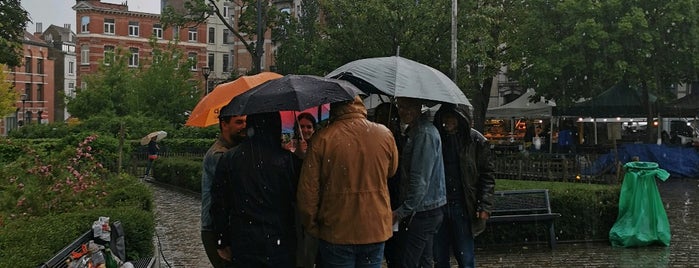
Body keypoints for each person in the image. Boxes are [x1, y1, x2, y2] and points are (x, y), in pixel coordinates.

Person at [297, 96, 399, 268]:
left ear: (334, 108)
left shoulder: (322, 138)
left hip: (336, 228)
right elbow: (392, 170)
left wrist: (311, 224)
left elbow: (308, 191)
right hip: (374, 226)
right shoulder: (384, 134)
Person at [211, 112, 301, 267]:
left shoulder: (230, 158)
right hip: (280, 240)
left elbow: (220, 203)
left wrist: (221, 239)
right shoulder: (288, 161)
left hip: (244, 241)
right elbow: (300, 200)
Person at [432, 104, 496, 268]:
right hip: (439, 205)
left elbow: (487, 175)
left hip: (462, 206)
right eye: (445, 116)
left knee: (465, 258)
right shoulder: (435, 137)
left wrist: (485, 205)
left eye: (452, 116)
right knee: (439, 258)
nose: (448, 121)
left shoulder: (476, 141)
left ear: (461, 119)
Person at [393, 97, 446, 268]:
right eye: (400, 106)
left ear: (418, 107)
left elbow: (420, 179)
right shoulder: (416, 131)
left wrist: (402, 211)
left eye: (408, 106)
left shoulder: (423, 134)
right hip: (427, 209)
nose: (403, 111)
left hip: (423, 211)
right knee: (424, 261)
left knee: (409, 262)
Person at [201, 114, 247, 268]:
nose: (244, 126)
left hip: (229, 226)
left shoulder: (232, 151)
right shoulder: (218, 155)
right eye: (239, 122)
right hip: (215, 229)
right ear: (224, 124)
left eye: (246, 122)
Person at [372, 102, 403, 268]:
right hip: (383, 197)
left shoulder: (399, 140)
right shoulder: (379, 139)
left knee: (393, 250)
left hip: (392, 199)